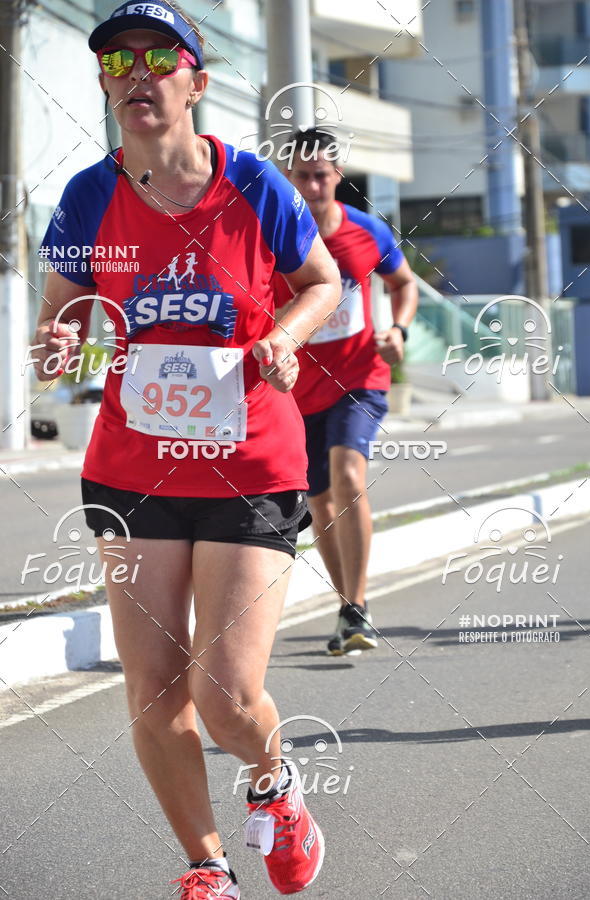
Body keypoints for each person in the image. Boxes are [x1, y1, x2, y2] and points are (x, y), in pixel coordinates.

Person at [33, 4, 341, 898]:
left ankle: (274, 782)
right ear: (105, 85)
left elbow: (320, 282)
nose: (136, 71)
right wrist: (59, 340)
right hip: (133, 468)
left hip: (249, 462)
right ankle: (208, 868)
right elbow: (63, 308)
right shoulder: (92, 194)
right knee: (155, 691)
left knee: (226, 699)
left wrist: (284, 335)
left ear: (196, 83)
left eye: (158, 57)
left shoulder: (252, 184)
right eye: (117, 60)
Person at [274, 128, 418, 656]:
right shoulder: (276, 243)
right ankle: (347, 608)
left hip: (360, 378)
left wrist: (397, 331)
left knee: (347, 473)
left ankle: (357, 604)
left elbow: (404, 284)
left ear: (337, 177)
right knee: (319, 500)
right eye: (302, 176)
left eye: (322, 175)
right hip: (297, 392)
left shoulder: (367, 232)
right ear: (289, 179)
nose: (313, 186)